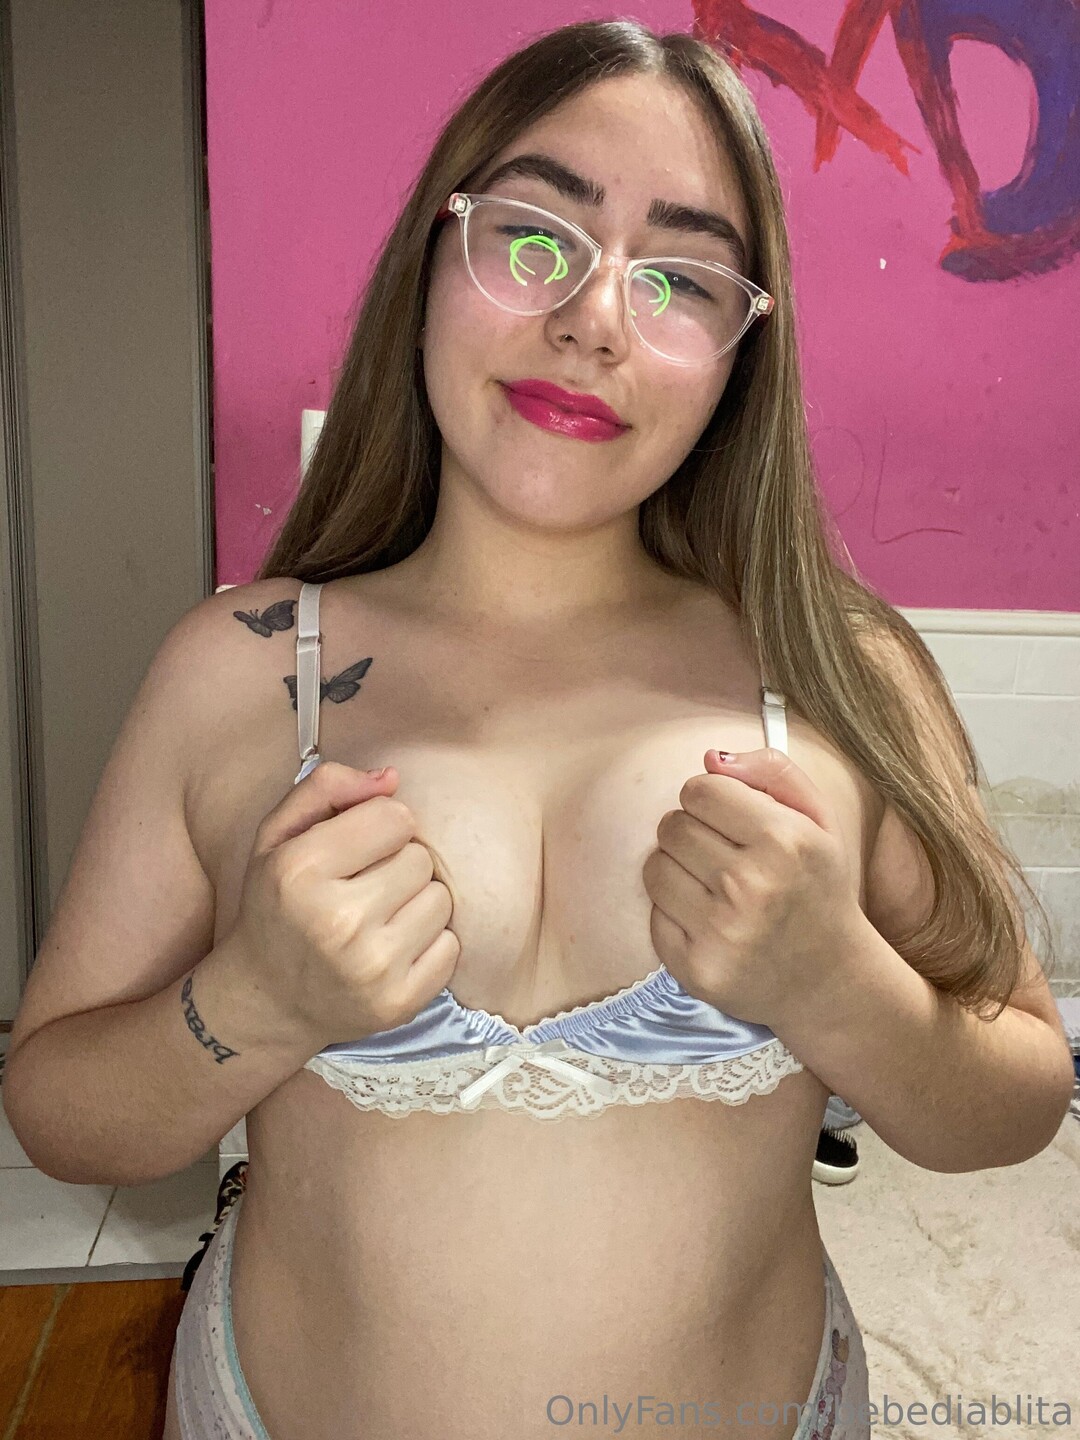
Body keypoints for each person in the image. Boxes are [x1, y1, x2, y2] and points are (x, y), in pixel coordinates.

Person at [4, 19, 1073, 1440]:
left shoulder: (840, 675)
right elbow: (59, 1117)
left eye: (679, 279)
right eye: (533, 237)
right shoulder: (240, 671)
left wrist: (838, 985)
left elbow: (1017, 1106)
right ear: (433, 260)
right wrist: (252, 1002)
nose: (594, 320)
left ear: (741, 356)